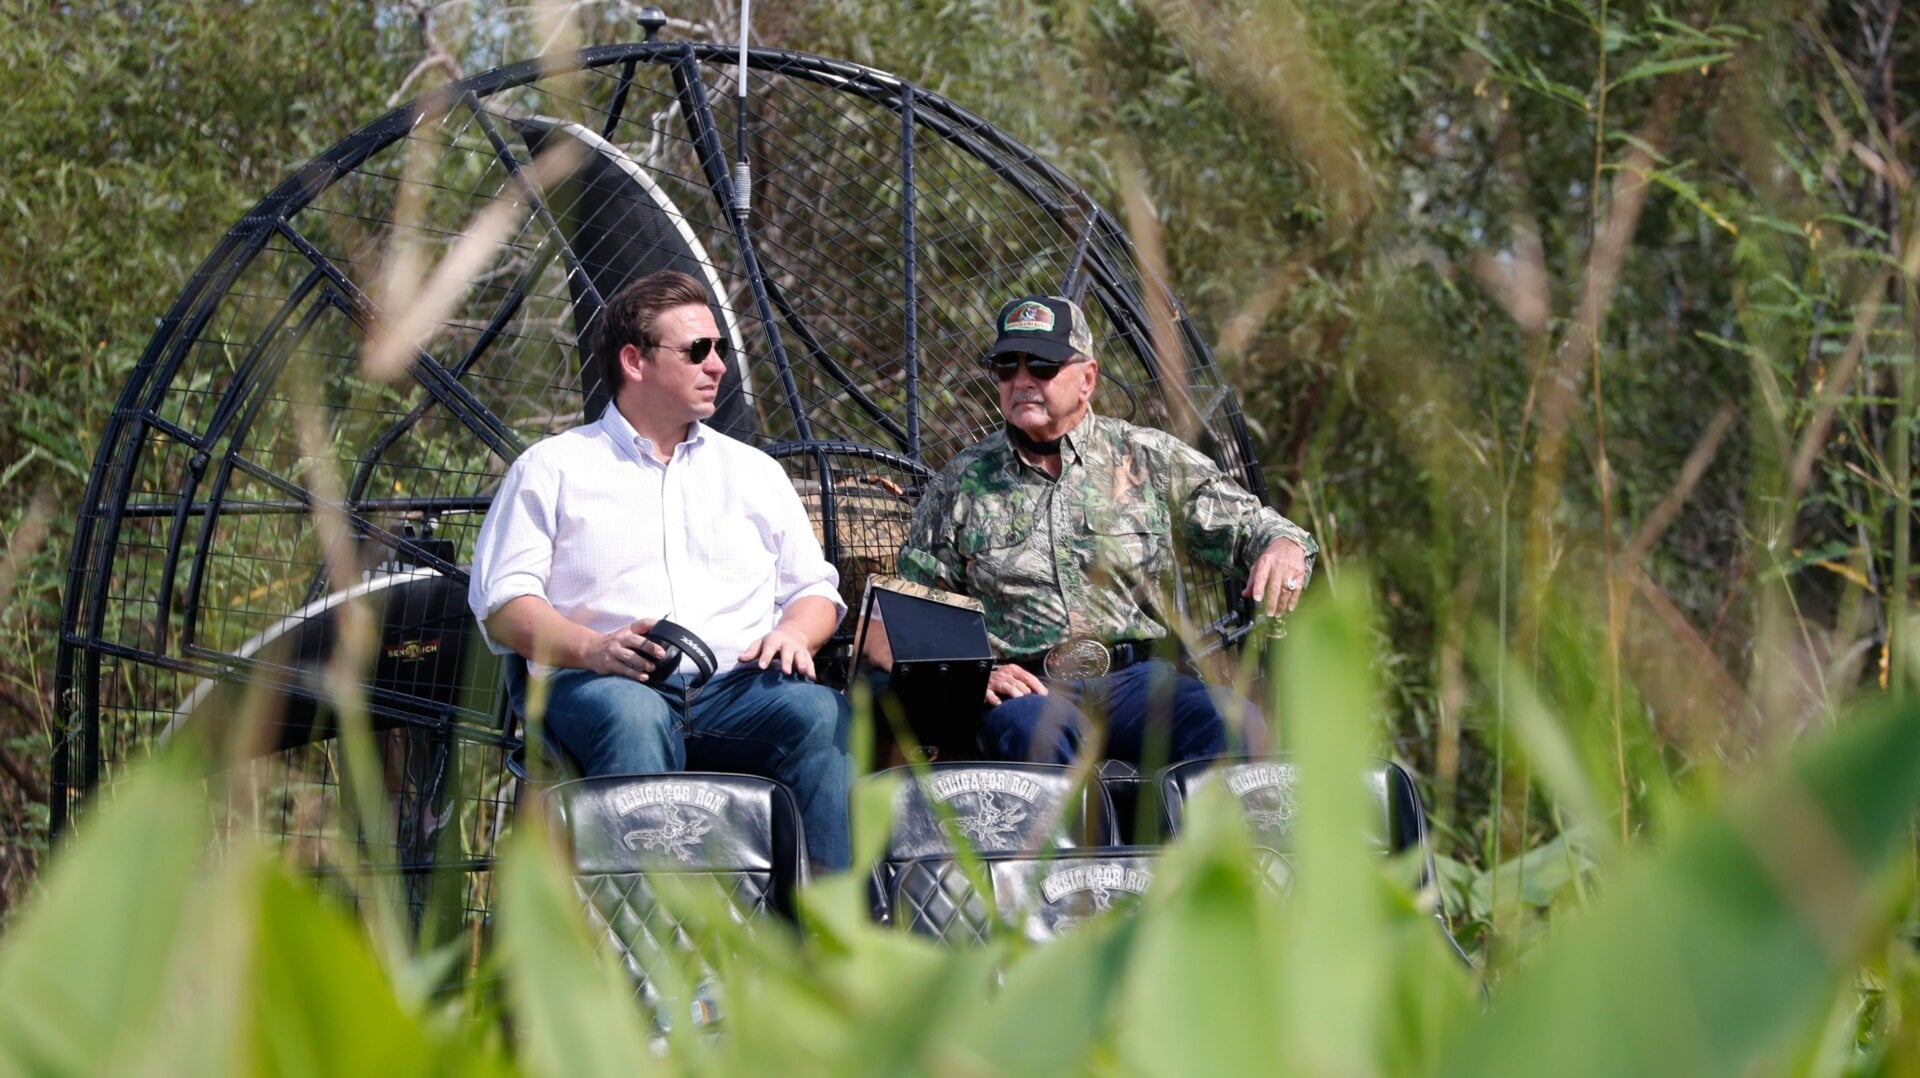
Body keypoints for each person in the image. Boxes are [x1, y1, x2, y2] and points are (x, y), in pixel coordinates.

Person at [468, 270, 852, 870]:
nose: (717, 365)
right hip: (601, 685)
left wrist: (795, 633)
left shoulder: (755, 472)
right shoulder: (553, 468)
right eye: (697, 350)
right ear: (635, 360)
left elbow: (815, 590)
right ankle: (645, 923)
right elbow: (504, 604)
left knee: (821, 713)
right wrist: (594, 648)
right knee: (633, 715)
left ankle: (833, 921)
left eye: (719, 349)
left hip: (738, 690)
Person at [893, 294, 1315, 768]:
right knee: (1029, 734)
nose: (1022, 380)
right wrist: (977, 676)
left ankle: (1202, 822)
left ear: (1087, 378)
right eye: (1006, 366)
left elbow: (1258, 527)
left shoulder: (1147, 457)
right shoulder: (962, 480)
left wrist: (1282, 547)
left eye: (1043, 365)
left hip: (1139, 682)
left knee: (1233, 726)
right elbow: (912, 612)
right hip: (1031, 690)